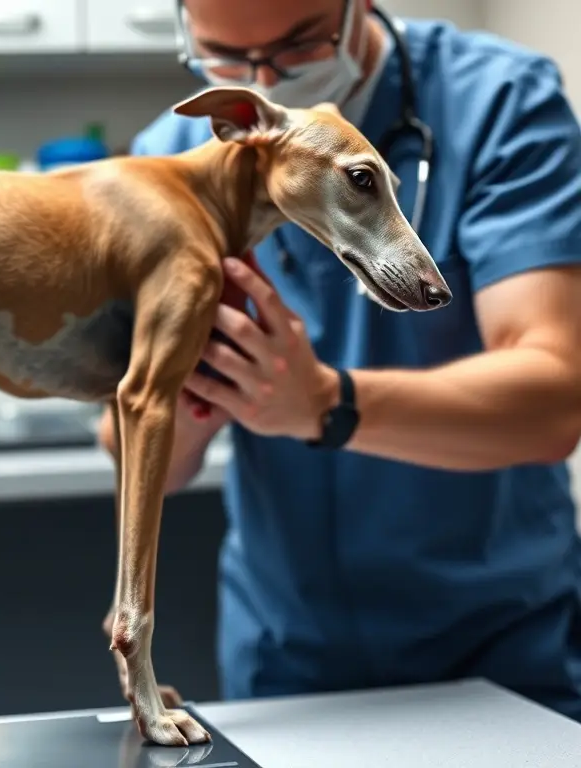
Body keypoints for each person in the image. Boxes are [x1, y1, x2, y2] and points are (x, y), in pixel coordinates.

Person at [98, 0, 581, 721]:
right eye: (227, 57)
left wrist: (323, 402)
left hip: (500, 650)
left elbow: (554, 402)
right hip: (289, 656)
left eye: (300, 43)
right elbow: (139, 455)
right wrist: (194, 384)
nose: (270, 81)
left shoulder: (496, 103)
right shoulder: (173, 158)